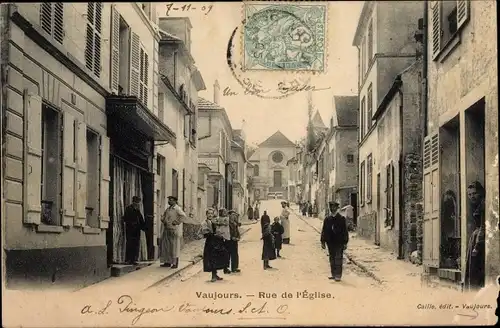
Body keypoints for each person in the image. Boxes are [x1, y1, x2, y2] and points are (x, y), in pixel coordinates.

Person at [464, 181, 486, 290]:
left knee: (476, 267)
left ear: (480, 193)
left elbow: (483, 226)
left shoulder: (483, 205)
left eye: (474, 193)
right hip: (476, 237)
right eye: (469, 194)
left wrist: (477, 246)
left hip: (480, 240)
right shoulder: (476, 205)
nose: (472, 196)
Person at [321, 201, 349, 281]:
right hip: (330, 242)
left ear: (337, 208)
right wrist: (323, 241)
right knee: (332, 258)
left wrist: (345, 242)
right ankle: (333, 274)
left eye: (334, 207)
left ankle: (338, 275)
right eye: (331, 207)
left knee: (338, 258)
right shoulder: (327, 219)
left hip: (339, 242)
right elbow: (324, 230)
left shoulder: (341, 219)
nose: (332, 209)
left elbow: (345, 231)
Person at [201, 208, 230, 282]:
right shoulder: (205, 223)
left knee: (220, 256)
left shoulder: (214, 222)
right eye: (209, 213)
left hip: (217, 241)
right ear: (206, 214)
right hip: (210, 242)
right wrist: (215, 235)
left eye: (211, 213)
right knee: (212, 258)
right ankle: (213, 276)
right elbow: (205, 233)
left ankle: (216, 273)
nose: (210, 215)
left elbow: (219, 229)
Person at [160, 196, 187, 268]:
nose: (169, 201)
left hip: (174, 230)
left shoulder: (177, 208)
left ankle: (175, 263)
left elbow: (184, 216)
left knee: (174, 247)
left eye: (171, 200)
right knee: (166, 247)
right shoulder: (168, 209)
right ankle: (167, 262)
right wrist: (163, 219)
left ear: (175, 201)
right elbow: (164, 216)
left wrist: (177, 222)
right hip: (167, 229)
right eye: (169, 200)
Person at [123, 196, 146, 265]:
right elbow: (125, 218)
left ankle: (134, 260)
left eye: (138, 202)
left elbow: (141, 219)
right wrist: (131, 223)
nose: (137, 204)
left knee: (136, 245)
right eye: (136, 202)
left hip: (136, 230)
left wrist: (143, 227)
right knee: (130, 244)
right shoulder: (128, 209)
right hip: (130, 230)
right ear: (133, 202)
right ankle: (128, 260)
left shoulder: (137, 210)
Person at [216, 208, 232, 274]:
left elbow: (226, 223)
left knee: (227, 253)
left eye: (226, 212)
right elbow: (215, 222)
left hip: (226, 237)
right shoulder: (218, 218)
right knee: (220, 253)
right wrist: (219, 223)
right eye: (224, 212)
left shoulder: (227, 218)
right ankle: (221, 267)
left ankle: (226, 268)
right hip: (220, 237)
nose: (225, 213)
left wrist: (219, 223)